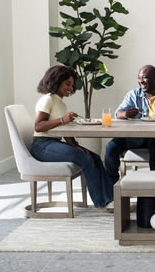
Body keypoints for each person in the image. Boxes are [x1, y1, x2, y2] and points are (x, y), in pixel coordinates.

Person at [30, 65, 113, 208]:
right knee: (85, 159)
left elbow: (62, 130)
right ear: (56, 81)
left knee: (94, 157)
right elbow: (38, 126)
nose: (70, 88)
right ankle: (101, 202)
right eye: (67, 84)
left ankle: (110, 197)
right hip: (42, 145)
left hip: (54, 143)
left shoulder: (60, 103)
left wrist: (75, 145)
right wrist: (62, 119)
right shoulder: (47, 99)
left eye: (72, 85)